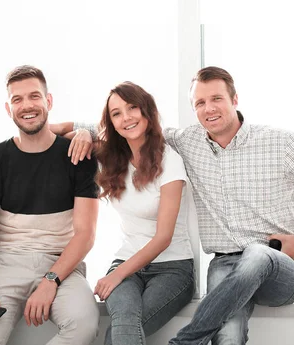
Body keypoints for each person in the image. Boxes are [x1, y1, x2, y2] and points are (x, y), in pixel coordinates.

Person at [62, 66, 294, 345]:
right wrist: (80, 131)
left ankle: (186, 342)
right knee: (228, 335)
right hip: (225, 263)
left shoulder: (281, 143)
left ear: (235, 99)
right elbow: (130, 128)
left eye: (216, 99)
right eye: (200, 103)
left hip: (279, 266)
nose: (209, 109)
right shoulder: (188, 142)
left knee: (257, 254)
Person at [0, 65, 100, 345]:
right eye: (17, 99)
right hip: (5, 263)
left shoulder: (79, 155)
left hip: (61, 263)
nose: (27, 105)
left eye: (34, 97)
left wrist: (51, 280)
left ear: (48, 101)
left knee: (83, 324)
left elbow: (85, 234)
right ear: (8, 108)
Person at [90, 82, 194, 345]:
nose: (126, 117)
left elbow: (163, 238)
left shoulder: (170, 160)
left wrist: (115, 275)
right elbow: (56, 130)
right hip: (126, 261)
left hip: (172, 268)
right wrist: (81, 132)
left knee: (120, 333)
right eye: (116, 113)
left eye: (132, 107)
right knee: (123, 323)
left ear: (146, 110)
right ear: (111, 123)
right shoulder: (112, 158)